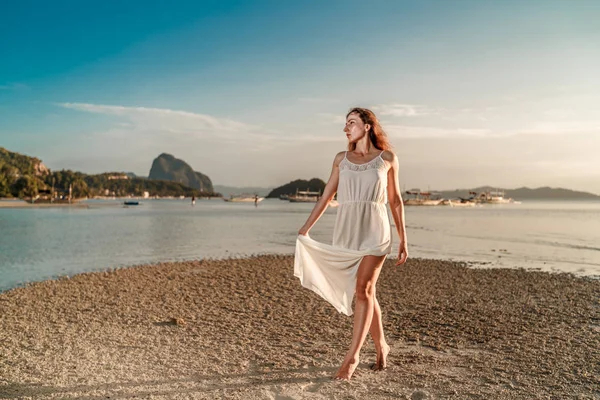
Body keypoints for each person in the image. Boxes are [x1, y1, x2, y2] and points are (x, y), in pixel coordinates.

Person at [294, 107, 408, 381]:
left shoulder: (387, 159)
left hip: (375, 230)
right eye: (345, 124)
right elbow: (325, 197)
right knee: (365, 292)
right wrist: (306, 228)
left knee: (364, 288)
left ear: (367, 126)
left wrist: (404, 238)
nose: (346, 128)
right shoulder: (341, 160)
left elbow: (394, 200)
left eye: (352, 123)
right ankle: (382, 345)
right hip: (347, 230)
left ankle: (352, 357)